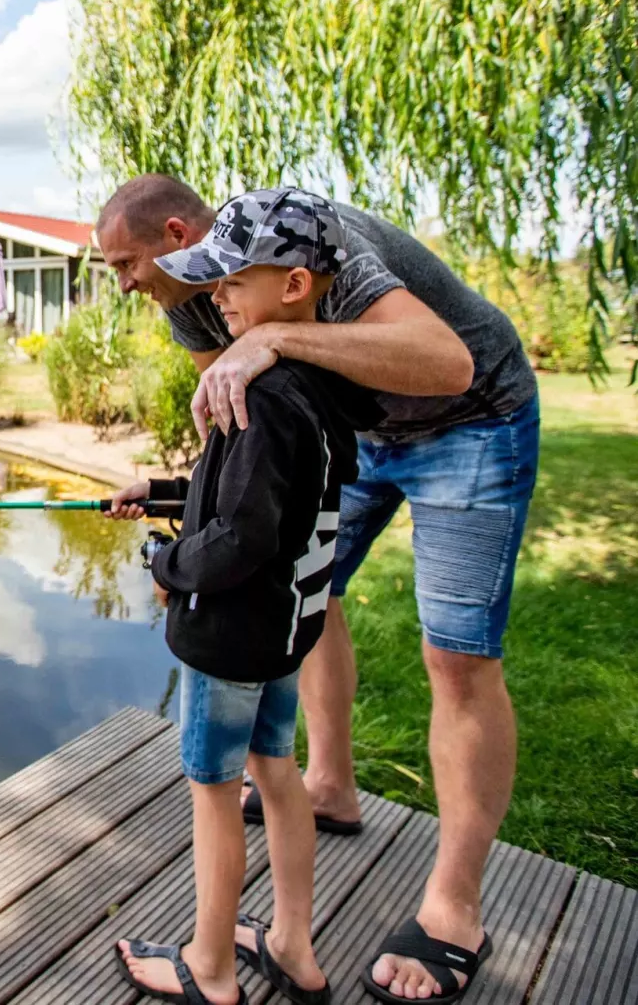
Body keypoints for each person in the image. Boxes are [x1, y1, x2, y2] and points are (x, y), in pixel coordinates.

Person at [96, 174, 538, 1004]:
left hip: (470, 417)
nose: (125, 284)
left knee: (457, 657)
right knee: (313, 591)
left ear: (176, 234)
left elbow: (447, 362)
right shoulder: (198, 297)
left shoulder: (316, 244)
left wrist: (282, 344)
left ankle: (455, 908)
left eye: (126, 263)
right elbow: (240, 437)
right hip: (351, 432)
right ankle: (327, 785)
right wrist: (170, 491)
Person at [110, 188, 375, 1005]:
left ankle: (211, 966)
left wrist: (166, 565)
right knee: (279, 771)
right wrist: (160, 489)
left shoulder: (255, 393)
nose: (215, 294)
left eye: (233, 279)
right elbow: (258, 498)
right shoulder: (317, 387)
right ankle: (294, 945)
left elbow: (239, 539)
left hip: (229, 638)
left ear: (293, 286)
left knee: (215, 794)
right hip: (285, 631)